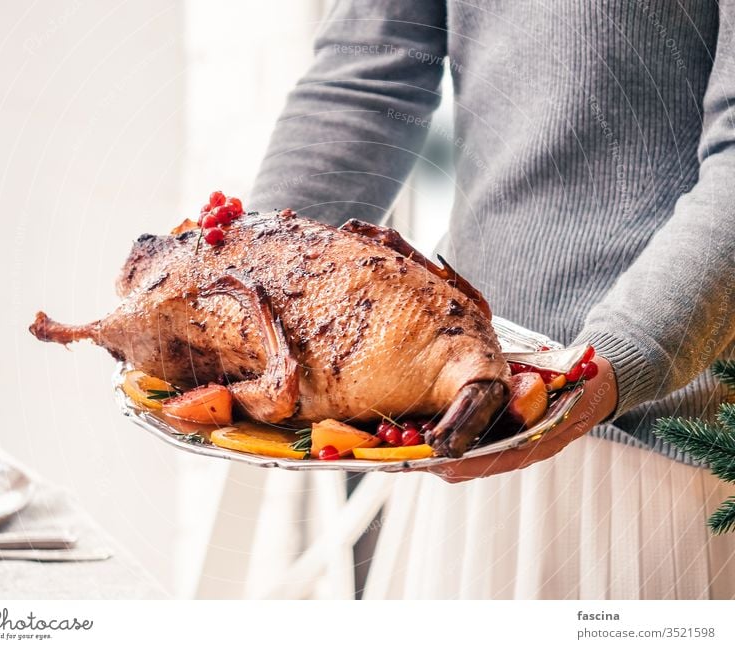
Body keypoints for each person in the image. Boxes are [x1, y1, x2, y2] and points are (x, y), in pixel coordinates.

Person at [248, 1, 735, 598]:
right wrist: (252, 284)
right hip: (465, 418)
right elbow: (368, 75)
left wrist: (626, 352)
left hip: (661, 445)